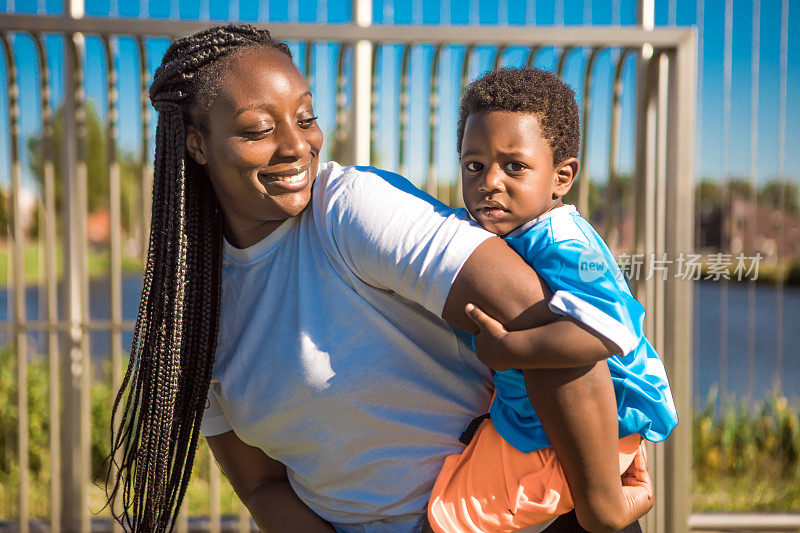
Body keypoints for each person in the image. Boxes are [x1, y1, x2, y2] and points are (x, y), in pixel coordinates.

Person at [106, 24, 652, 532]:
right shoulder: (190, 313)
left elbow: (544, 321)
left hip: (516, 517)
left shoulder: (349, 211)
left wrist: (600, 502)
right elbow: (262, 484)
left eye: (305, 118)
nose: (297, 146)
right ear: (197, 143)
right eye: (257, 129)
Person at [427, 67, 678, 533]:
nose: (490, 182)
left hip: (583, 430)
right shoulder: (515, 231)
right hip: (541, 422)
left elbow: (605, 331)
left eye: (514, 166)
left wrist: (509, 349)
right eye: (473, 165)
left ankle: (607, 511)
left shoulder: (564, 242)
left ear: (562, 176)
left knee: (451, 519)